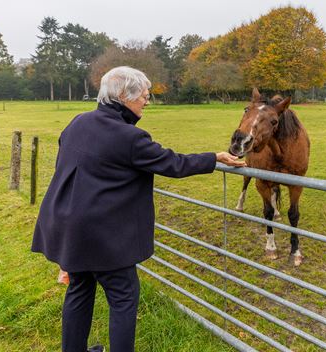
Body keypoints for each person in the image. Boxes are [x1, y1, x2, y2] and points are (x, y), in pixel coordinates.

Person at [31, 66, 244, 352]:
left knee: (79, 290)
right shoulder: (130, 137)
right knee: (123, 296)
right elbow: (174, 164)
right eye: (144, 96)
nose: (147, 101)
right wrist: (214, 157)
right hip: (102, 236)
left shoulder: (78, 122)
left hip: (69, 227)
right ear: (123, 96)